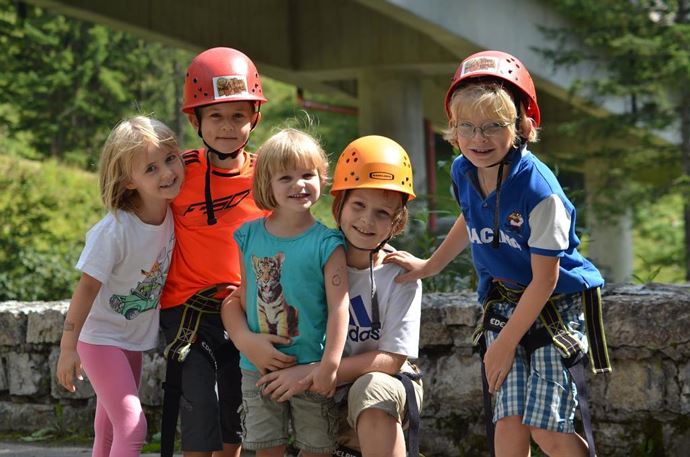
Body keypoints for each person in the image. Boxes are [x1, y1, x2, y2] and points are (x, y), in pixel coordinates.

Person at [385, 50, 611, 457]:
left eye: (493, 126)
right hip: (506, 300)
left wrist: (505, 344)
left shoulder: (539, 192)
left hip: (553, 304)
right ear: (452, 129)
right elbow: (472, 218)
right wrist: (429, 266)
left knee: (547, 430)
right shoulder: (462, 170)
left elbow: (546, 279)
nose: (478, 139)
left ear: (522, 126)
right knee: (507, 425)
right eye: (467, 127)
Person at [240, 135, 424, 457]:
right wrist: (244, 338)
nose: (367, 220)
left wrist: (313, 372)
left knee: (373, 389)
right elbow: (240, 296)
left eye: (383, 213)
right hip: (318, 388)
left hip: (365, 381)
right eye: (359, 205)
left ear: (397, 221)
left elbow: (392, 360)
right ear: (339, 204)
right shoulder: (314, 250)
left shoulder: (400, 276)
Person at [158, 47, 268, 457]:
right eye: (216, 116)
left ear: (254, 118)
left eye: (238, 115)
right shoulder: (178, 174)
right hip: (188, 313)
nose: (227, 127)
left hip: (245, 311)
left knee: (234, 413)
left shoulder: (267, 176)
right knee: (200, 403)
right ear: (195, 120)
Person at [56, 115, 183, 457]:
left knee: (109, 429)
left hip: (131, 340)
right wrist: (68, 348)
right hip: (99, 339)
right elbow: (84, 290)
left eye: (170, 159)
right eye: (151, 169)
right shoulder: (114, 231)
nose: (168, 173)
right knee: (133, 428)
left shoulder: (175, 214)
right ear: (129, 181)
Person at [220, 128, 350, 457]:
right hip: (257, 367)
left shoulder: (328, 243)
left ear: (322, 178)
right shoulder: (247, 236)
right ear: (267, 184)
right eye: (286, 177)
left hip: (311, 365)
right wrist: (248, 344)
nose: (298, 185)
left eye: (308, 174)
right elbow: (242, 296)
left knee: (318, 448)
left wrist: (329, 366)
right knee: (266, 448)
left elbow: (339, 308)